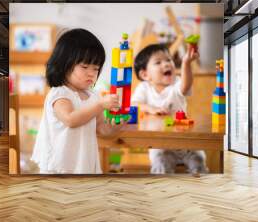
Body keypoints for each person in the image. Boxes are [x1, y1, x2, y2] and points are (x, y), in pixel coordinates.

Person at [31, 28, 124, 174]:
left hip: (84, 163)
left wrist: (115, 126)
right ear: (64, 64)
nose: (91, 73)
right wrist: (100, 105)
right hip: (59, 167)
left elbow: (101, 128)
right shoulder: (60, 94)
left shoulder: (93, 96)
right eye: (85, 67)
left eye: (96, 68)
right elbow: (70, 119)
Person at [131, 43, 208, 176]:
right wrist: (151, 108)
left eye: (168, 60)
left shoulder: (177, 83)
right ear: (145, 75)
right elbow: (134, 104)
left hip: (186, 143)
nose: (166, 64)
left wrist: (186, 63)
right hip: (161, 146)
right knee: (160, 164)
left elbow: (185, 86)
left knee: (199, 160)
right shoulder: (144, 88)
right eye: (158, 62)